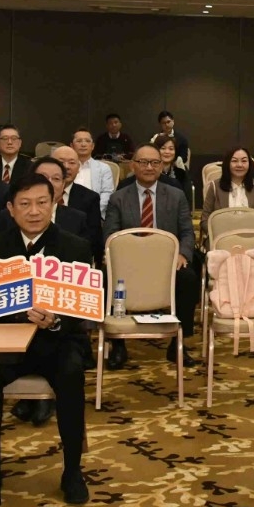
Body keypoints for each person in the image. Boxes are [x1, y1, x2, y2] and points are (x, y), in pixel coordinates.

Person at [0, 173, 93, 506]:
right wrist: (13, 316)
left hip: (58, 341)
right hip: (8, 344)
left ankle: (72, 470)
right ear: (11, 209)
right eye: (24, 204)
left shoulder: (76, 247)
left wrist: (55, 320)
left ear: (55, 204)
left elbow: (84, 308)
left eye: (42, 202)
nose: (34, 211)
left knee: (71, 375)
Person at [103, 145, 200, 367]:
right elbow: (110, 234)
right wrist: (115, 257)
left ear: (162, 166)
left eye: (155, 163)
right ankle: (117, 344)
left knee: (188, 278)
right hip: (128, 263)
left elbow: (187, 232)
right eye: (143, 162)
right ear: (132, 165)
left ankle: (178, 342)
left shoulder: (176, 196)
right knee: (106, 276)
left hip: (167, 263)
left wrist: (183, 254)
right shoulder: (119, 198)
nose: (149, 167)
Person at [201, 146, 254, 244]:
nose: (239, 165)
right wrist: (216, 234)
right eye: (234, 161)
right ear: (227, 163)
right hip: (221, 240)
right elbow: (204, 219)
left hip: (252, 240)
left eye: (244, 161)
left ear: (249, 164)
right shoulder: (214, 186)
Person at [50, 146, 106, 260]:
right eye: (61, 162)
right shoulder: (33, 195)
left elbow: (93, 239)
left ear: (79, 168)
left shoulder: (90, 198)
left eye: (72, 163)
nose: (66, 167)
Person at [69, 128, 117, 211]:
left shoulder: (103, 168)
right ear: (72, 146)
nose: (83, 144)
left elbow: (107, 193)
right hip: (69, 211)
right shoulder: (65, 167)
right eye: (79, 141)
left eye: (87, 141)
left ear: (93, 146)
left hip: (96, 212)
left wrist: (93, 210)